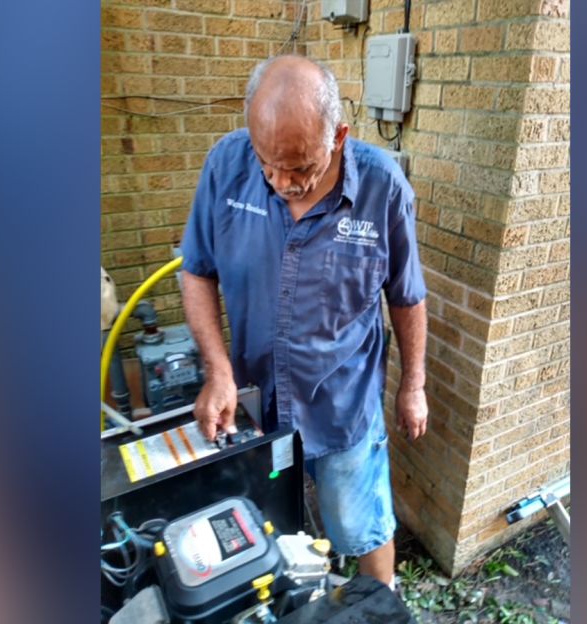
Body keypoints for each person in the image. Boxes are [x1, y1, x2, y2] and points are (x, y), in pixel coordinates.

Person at [179, 55, 428, 588]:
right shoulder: (226, 165)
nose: (281, 181)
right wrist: (217, 369)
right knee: (266, 532)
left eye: (299, 166)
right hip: (254, 404)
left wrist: (414, 385)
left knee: (361, 529)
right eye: (268, 163)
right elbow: (196, 271)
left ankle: (378, 606)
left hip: (341, 408)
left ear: (338, 135)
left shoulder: (383, 187)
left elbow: (407, 297)